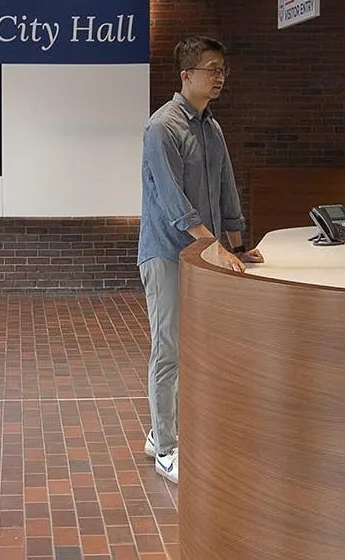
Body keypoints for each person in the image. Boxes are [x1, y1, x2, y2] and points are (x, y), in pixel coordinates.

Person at [138, 34, 258, 484]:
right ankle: (167, 448)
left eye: (223, 69)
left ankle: (158, 431)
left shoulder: (212, 127)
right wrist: (216, 247)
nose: (220, 76)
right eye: (212, 69)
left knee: (196, 348)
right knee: (168, 348)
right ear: (186, 75)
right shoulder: (162, 128)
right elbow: (173, 203)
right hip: (167, 254)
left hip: (205, 254)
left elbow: (226, 189)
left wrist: (239, 244)